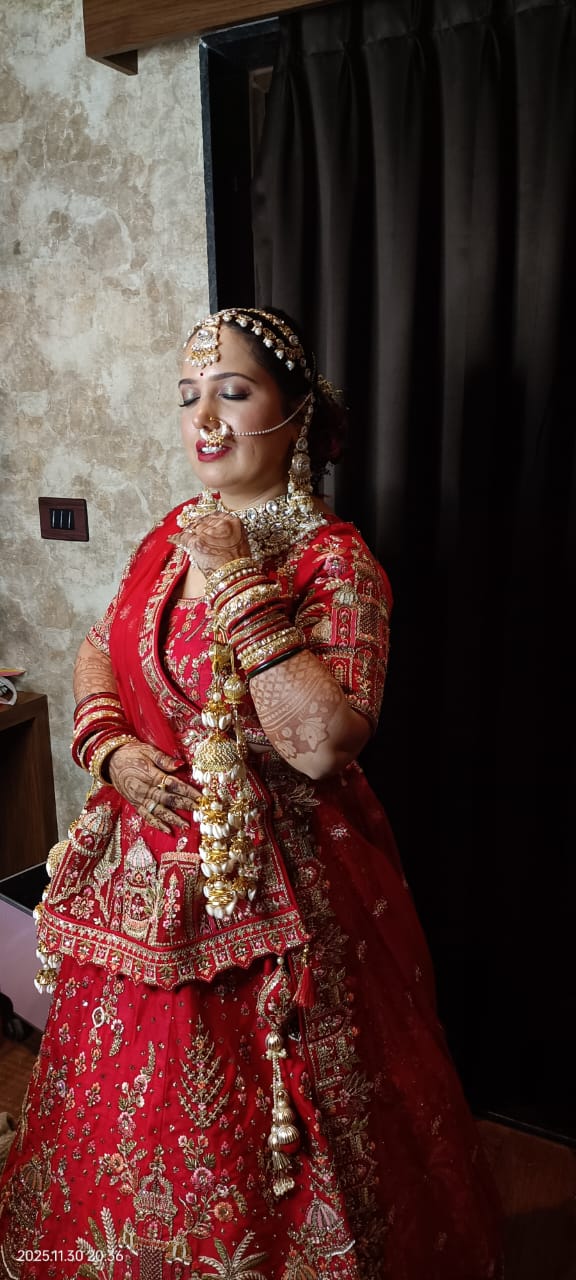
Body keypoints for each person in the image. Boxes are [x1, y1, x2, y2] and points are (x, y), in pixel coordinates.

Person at [0, 307, 502, 1279]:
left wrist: (235, 575)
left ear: (297, 414)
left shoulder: (334, 561)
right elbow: (101, 644)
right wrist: (109, 748)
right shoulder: (169, 535)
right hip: (143, 880)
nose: (205, 419)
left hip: (286, 890)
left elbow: (325, 742)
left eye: (233, 393)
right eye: (190, 395)